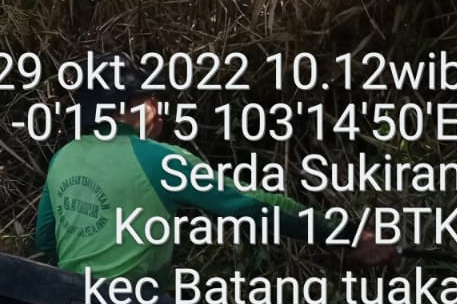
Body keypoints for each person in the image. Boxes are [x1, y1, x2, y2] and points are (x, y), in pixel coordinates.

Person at [34, 52, 399, 281]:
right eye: (150, 98)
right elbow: (251, 204)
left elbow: (45, 240)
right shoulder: (158, 160)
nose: (159, 107)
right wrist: (348, 234)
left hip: (72, 302)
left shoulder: (62, 156)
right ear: (125, 108)